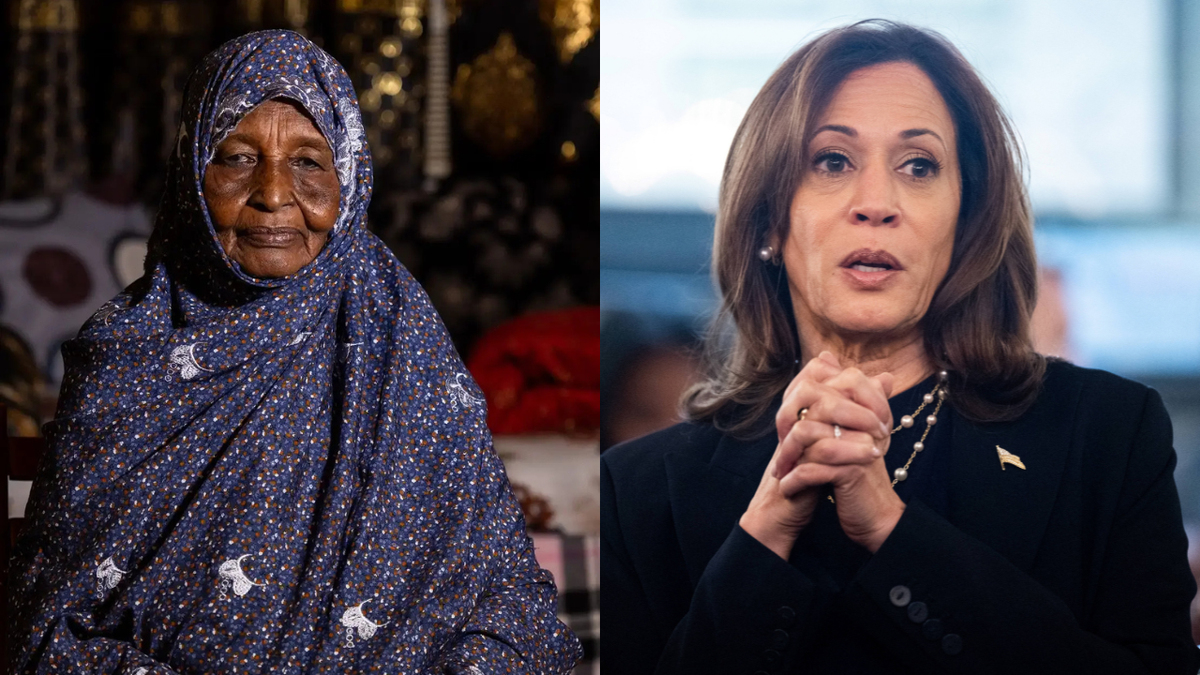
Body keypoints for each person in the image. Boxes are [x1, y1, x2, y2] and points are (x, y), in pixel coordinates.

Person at [602, 20, 1200, 674]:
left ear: (965, 218)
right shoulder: (638, 489)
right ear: (770, 218)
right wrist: (766, 531)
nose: (877, 203)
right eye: (832, 161)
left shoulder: (1109, 432)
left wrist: (891, 528)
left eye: (919, 166)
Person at [8, 30, 582, 674]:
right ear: (191, 173)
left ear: (350, 179)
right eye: (235, 157)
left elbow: (509, 602)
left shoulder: (401, 339)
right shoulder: (128, 356)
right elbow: (47, 632)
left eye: (308, 162)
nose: (275, 193)